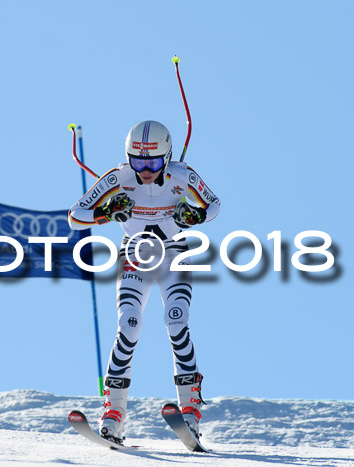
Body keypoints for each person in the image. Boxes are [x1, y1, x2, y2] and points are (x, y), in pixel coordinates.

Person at [68, 120, 220, 443]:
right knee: (129, 324)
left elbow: (214, 204)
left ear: (166, 157)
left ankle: (191, 410)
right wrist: (106, 212)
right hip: (135, 252)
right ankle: (113, 413)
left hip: (173, 252)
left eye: (152, 162)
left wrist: (194, 215)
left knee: (176, 322)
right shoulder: (120, 177)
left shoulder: (182, 175)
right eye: (138, 162)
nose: (145, 170)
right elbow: (76, 214)